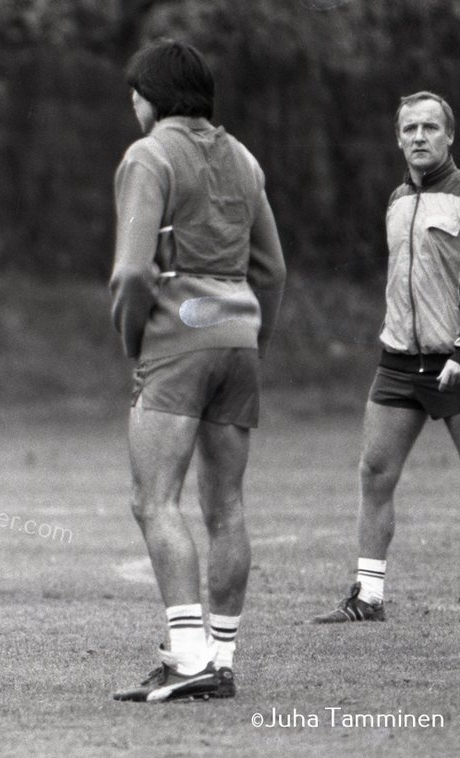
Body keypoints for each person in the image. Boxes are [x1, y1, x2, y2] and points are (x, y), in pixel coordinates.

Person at [106, 39, 286, 702]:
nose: (132, 104)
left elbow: (131, 269)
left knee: (153, 500)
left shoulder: (148, 153)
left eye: (135, 92)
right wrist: (251, 339)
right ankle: (221, 658)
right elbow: (274, 270)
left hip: (177, 340)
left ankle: (187, 658)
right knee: (226, 505)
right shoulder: (244, 157)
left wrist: (135, 340)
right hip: (239, 338)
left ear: (153, 96)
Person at [309, 91, 460, 624]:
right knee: (374, 472)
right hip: (398, 361)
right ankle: (367, 597)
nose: (420, 137)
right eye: (410, 129)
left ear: (449, 136)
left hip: (456, 362)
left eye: (430, 128)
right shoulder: (397, 200)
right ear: (398, 139)